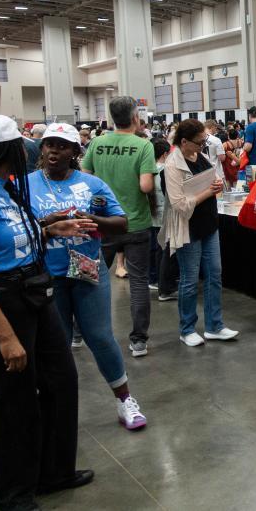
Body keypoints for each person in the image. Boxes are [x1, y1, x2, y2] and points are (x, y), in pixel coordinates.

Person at [0, 114, 97, 511]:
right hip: (1, 304)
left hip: (33, 294)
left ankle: (54, 471)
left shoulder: (5, 187)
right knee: (15, 399)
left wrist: (48, 229)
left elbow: (8, 237)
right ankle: (14, 494)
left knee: (61, 381)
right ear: (6, 150)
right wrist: (6, 337)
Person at [27, 123, 148, 431]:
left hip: (87, 270)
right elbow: (17, 229)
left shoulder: (91, 184)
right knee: (56, 343)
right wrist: (47, 223)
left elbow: (121, 222)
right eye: (49, 144)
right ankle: (53, 408)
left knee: (100, 336)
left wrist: (91, 219)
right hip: (46, 276)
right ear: (42, 148)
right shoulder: (26, 185)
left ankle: (125, 400)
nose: (54, 151)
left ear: (74, 151)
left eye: (62, 146)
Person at [81, 96, 158, 357]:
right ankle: (139, 341)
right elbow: (146, 186)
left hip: (103, 224)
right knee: (138, 283)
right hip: (135, 224)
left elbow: (85, 178)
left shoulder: (97, 143)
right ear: (135, 117)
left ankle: (78, 332)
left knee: (90, 276)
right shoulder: (143, 145)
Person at [159, 119, 239, 347]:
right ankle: (187, 329)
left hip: (209, 225)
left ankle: (214, 325)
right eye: (199, 142)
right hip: (188, 229)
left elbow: (212, 179)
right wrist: (208, 192)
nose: (203, 146)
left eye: (204, 142)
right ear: (184, 141)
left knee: (215, 275)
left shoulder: (200, 156)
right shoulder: (172, 166)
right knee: (189, 280)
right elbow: (179, 205)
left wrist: (217, 185)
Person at [148, 138, 171, 293]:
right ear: (165, 154)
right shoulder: (165, 171)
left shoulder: (147, 170)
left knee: (154, 248)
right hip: (164, 215)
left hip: (151, 215)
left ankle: (153, 278)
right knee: (163, 251)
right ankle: (161, 281)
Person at [203, 120, 226, 184]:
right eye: (215, 127)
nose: (216, 129)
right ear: (212, 127)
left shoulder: (199, 139)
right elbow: (222, 158)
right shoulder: (216, 140)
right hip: (216, 172)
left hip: (204, 173)